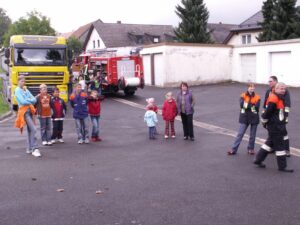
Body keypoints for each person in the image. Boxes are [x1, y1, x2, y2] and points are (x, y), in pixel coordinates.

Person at [254, 82, 293, 172]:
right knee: (280, 146)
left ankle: (258, 160)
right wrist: (264, 121)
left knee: (269, 144)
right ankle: (282, 167)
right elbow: (267, 113)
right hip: (275, 126)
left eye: (284, 89)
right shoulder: (274, 98)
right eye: (281, 88)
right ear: (276, 89)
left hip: (277, 125)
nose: (283, 90)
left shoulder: (279, 97)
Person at [228, 84, 260, 155]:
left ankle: (251, 149)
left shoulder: (257, 97)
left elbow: (257, 107)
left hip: (254, 117)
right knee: (240, 134)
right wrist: (252, 106)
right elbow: (242, 105)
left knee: (252, 135)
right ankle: (234, 149)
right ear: (247, 88)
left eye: (253, 87)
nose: (252, 88)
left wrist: (247, 106)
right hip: (244, 117)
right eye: (250, 87)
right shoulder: (243, 95)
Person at [263, 75, 291, 156]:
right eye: (269, 81)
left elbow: (287, 104)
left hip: (281, 116)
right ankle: (273, 148)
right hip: (271, 118)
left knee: (284, 133)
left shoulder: (284, 90)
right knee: (272, 133)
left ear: (275, 81)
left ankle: (286, 150)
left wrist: (286, 117)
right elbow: (265, 104)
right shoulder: (269, 91)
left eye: (270, 81)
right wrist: (264, 114)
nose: (269, 83)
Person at [14, 76, 41, 157]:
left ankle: (29, 148)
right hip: (24, 112)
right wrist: (29, 101)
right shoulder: (17, 90)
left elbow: (34, 99)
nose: (23, 83)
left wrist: (28, 100)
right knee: (34, 129)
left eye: (24, 81)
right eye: (21, 81)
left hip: (30, 110)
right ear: (18, 81)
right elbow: (22, 101)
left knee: (30, 130)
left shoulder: (25, 89)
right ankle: (34, 148)